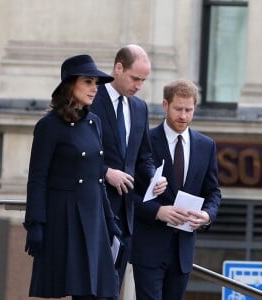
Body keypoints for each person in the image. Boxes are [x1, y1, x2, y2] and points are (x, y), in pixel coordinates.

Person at [24, 54, 122, 300]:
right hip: (65, 216)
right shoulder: (49, 126)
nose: (94, 89)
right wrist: (35, 224)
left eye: (96, 84)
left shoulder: (94, 122)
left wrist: (110, 222)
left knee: (104, 292)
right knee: (81, 291)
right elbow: (37, 177)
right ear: (70, 84)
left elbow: (98, 178)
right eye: (88, 82)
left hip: (94, 216)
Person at [130, 79, 221, 300]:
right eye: (178, 109)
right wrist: (157, 212)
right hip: (148, 249)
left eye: (188, 110)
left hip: (183, 251)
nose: (183, 116)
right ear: (165, 105)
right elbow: (127, 193)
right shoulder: (145, 140)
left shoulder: (206, 145)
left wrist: (207, 215)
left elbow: (213, 192)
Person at [90, 44, 167, 290]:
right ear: (118, 68)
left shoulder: (139, 107)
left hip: (126, 212)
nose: (139, 86)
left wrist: (154, 177)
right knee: (90, 286)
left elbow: (143, 156)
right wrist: (105, 173)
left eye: (144, 80)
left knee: (114, 286)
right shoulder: (91, 98)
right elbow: (74, 154)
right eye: (135, 78)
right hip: (94, 207)